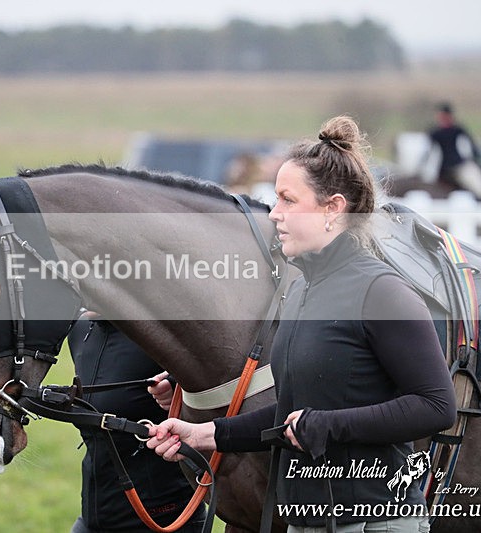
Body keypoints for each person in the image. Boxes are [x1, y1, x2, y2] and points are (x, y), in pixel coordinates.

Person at [146, 116, 457, 532]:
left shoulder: (383, 292)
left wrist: (328, 425)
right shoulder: (300, 293)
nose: (274, 214)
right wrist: (203, 435)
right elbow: (294, 410)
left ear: (332, 209)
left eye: (288, 200)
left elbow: (436, 406)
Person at [68, 313, 206, 533]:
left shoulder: (162, 328)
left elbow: (214, 379)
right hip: (94, 519)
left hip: (164, 520)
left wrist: (179, 389)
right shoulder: (80, 330)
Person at [427, 102, 481, 200]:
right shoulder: (437, 132)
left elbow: (471, 147)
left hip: (457, 165)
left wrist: (476, 158)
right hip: (447, 168)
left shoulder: (456, 130)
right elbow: (429, 151)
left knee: (478, 184)